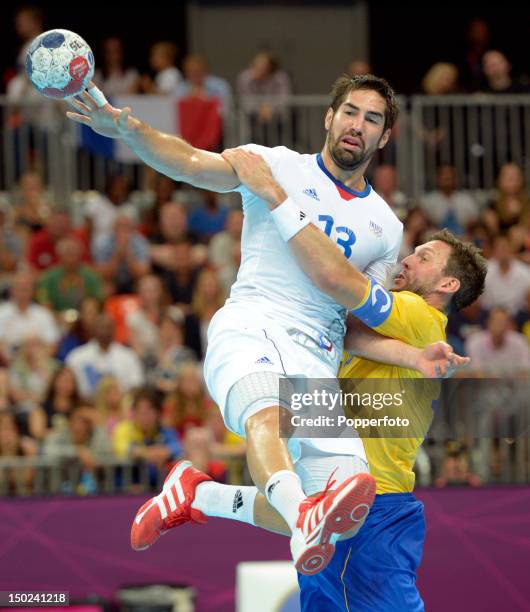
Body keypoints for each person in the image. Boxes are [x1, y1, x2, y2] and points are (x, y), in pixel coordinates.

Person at [67, 73, 456, 574]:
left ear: (384, 137)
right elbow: (189, 163)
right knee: (266, 417)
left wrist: (413, 355)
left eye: (373, 118)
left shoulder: (385, 226)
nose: (358, 124)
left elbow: (354, 316)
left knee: (351, 513)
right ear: (329, 117)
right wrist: (128, 130)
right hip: (256, 324)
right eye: (351, 112)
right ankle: (303, 520)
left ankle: (198, 494)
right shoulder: (273, 164)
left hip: (317, 357)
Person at [160, 149, 486, 611]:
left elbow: (339, 282)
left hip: (376, 497)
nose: (406, 261)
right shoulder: (381, 334)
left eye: (424, 257)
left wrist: (277, 197)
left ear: (448, 286)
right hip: (352, 480)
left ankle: (201, 494)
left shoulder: (422, 316)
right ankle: (201, 493)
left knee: (307, 507)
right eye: (411, 251)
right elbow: (346, 332)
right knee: (303, 500)